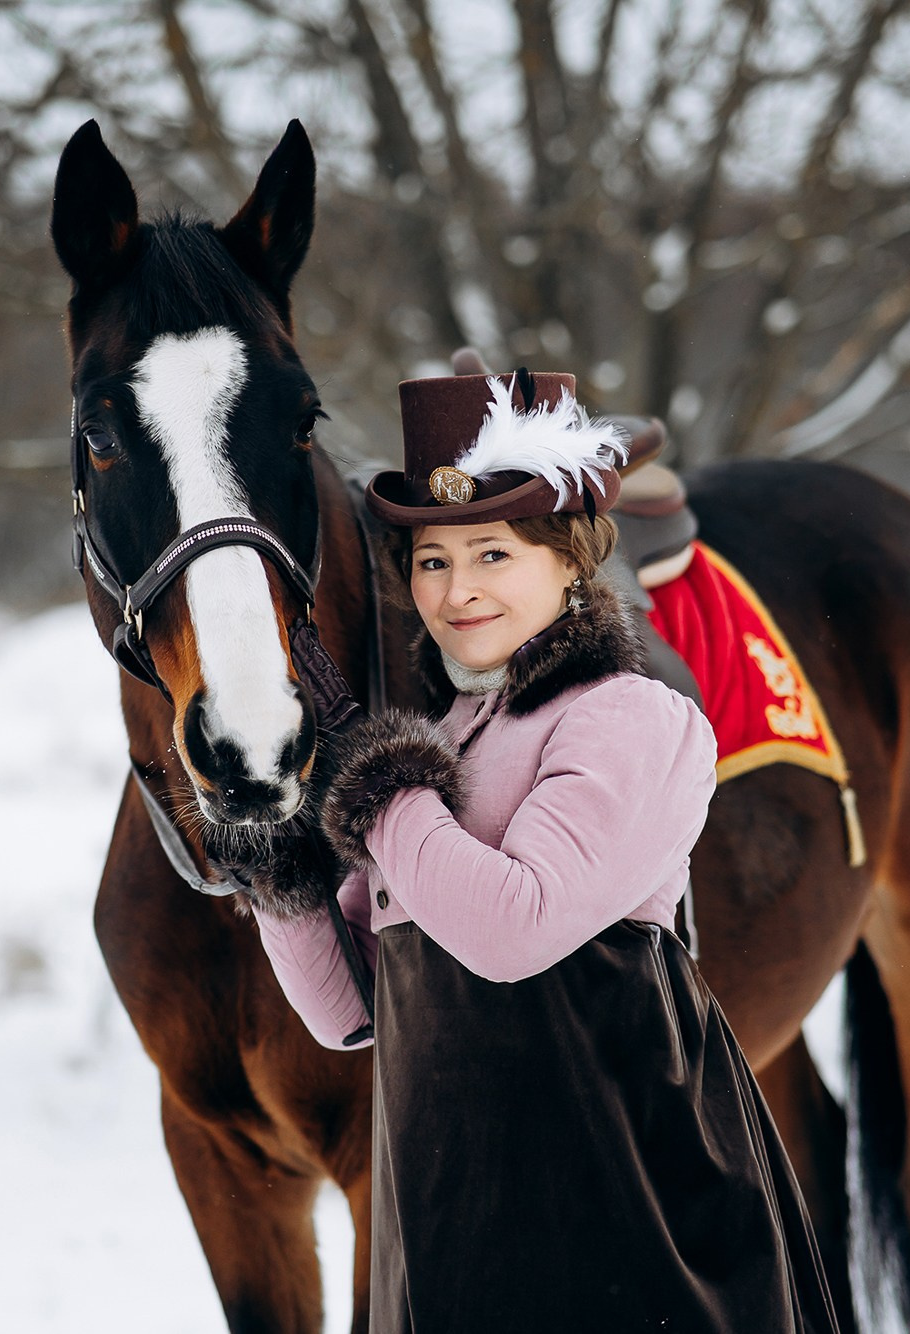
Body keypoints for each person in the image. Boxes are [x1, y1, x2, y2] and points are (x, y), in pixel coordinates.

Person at [245, 368, 840, 1334]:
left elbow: (513, 929)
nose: (458, 589)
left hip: (616, 1195)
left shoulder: (630, 717)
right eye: (431, 563)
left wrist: (382, 779)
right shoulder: (446, 739)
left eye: (492, 553)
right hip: (449, 1202)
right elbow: (350, 1008)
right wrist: (276, 861)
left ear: (569, 564)